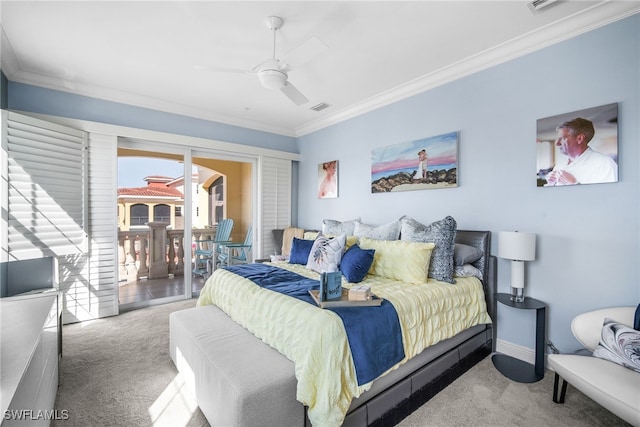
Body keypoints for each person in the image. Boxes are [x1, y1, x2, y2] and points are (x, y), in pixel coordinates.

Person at [544, 118, 617, 186]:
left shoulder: (604, 164)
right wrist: (551, 185)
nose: (557, 143)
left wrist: (574, 183)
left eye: (562, 139)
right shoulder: (560, 165)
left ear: (579, 138)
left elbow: (610, 196)